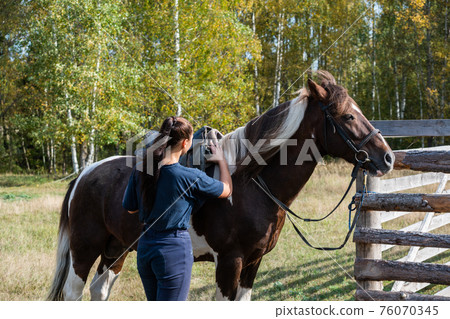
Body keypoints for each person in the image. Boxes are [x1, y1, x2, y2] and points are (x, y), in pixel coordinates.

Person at [122, 116, 232, 301]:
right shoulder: (190, 176)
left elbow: (131, 209)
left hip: (145, 248)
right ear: (185, 143)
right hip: (173, 251)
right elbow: (226, 190)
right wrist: (221, 161)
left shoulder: (141, 169)